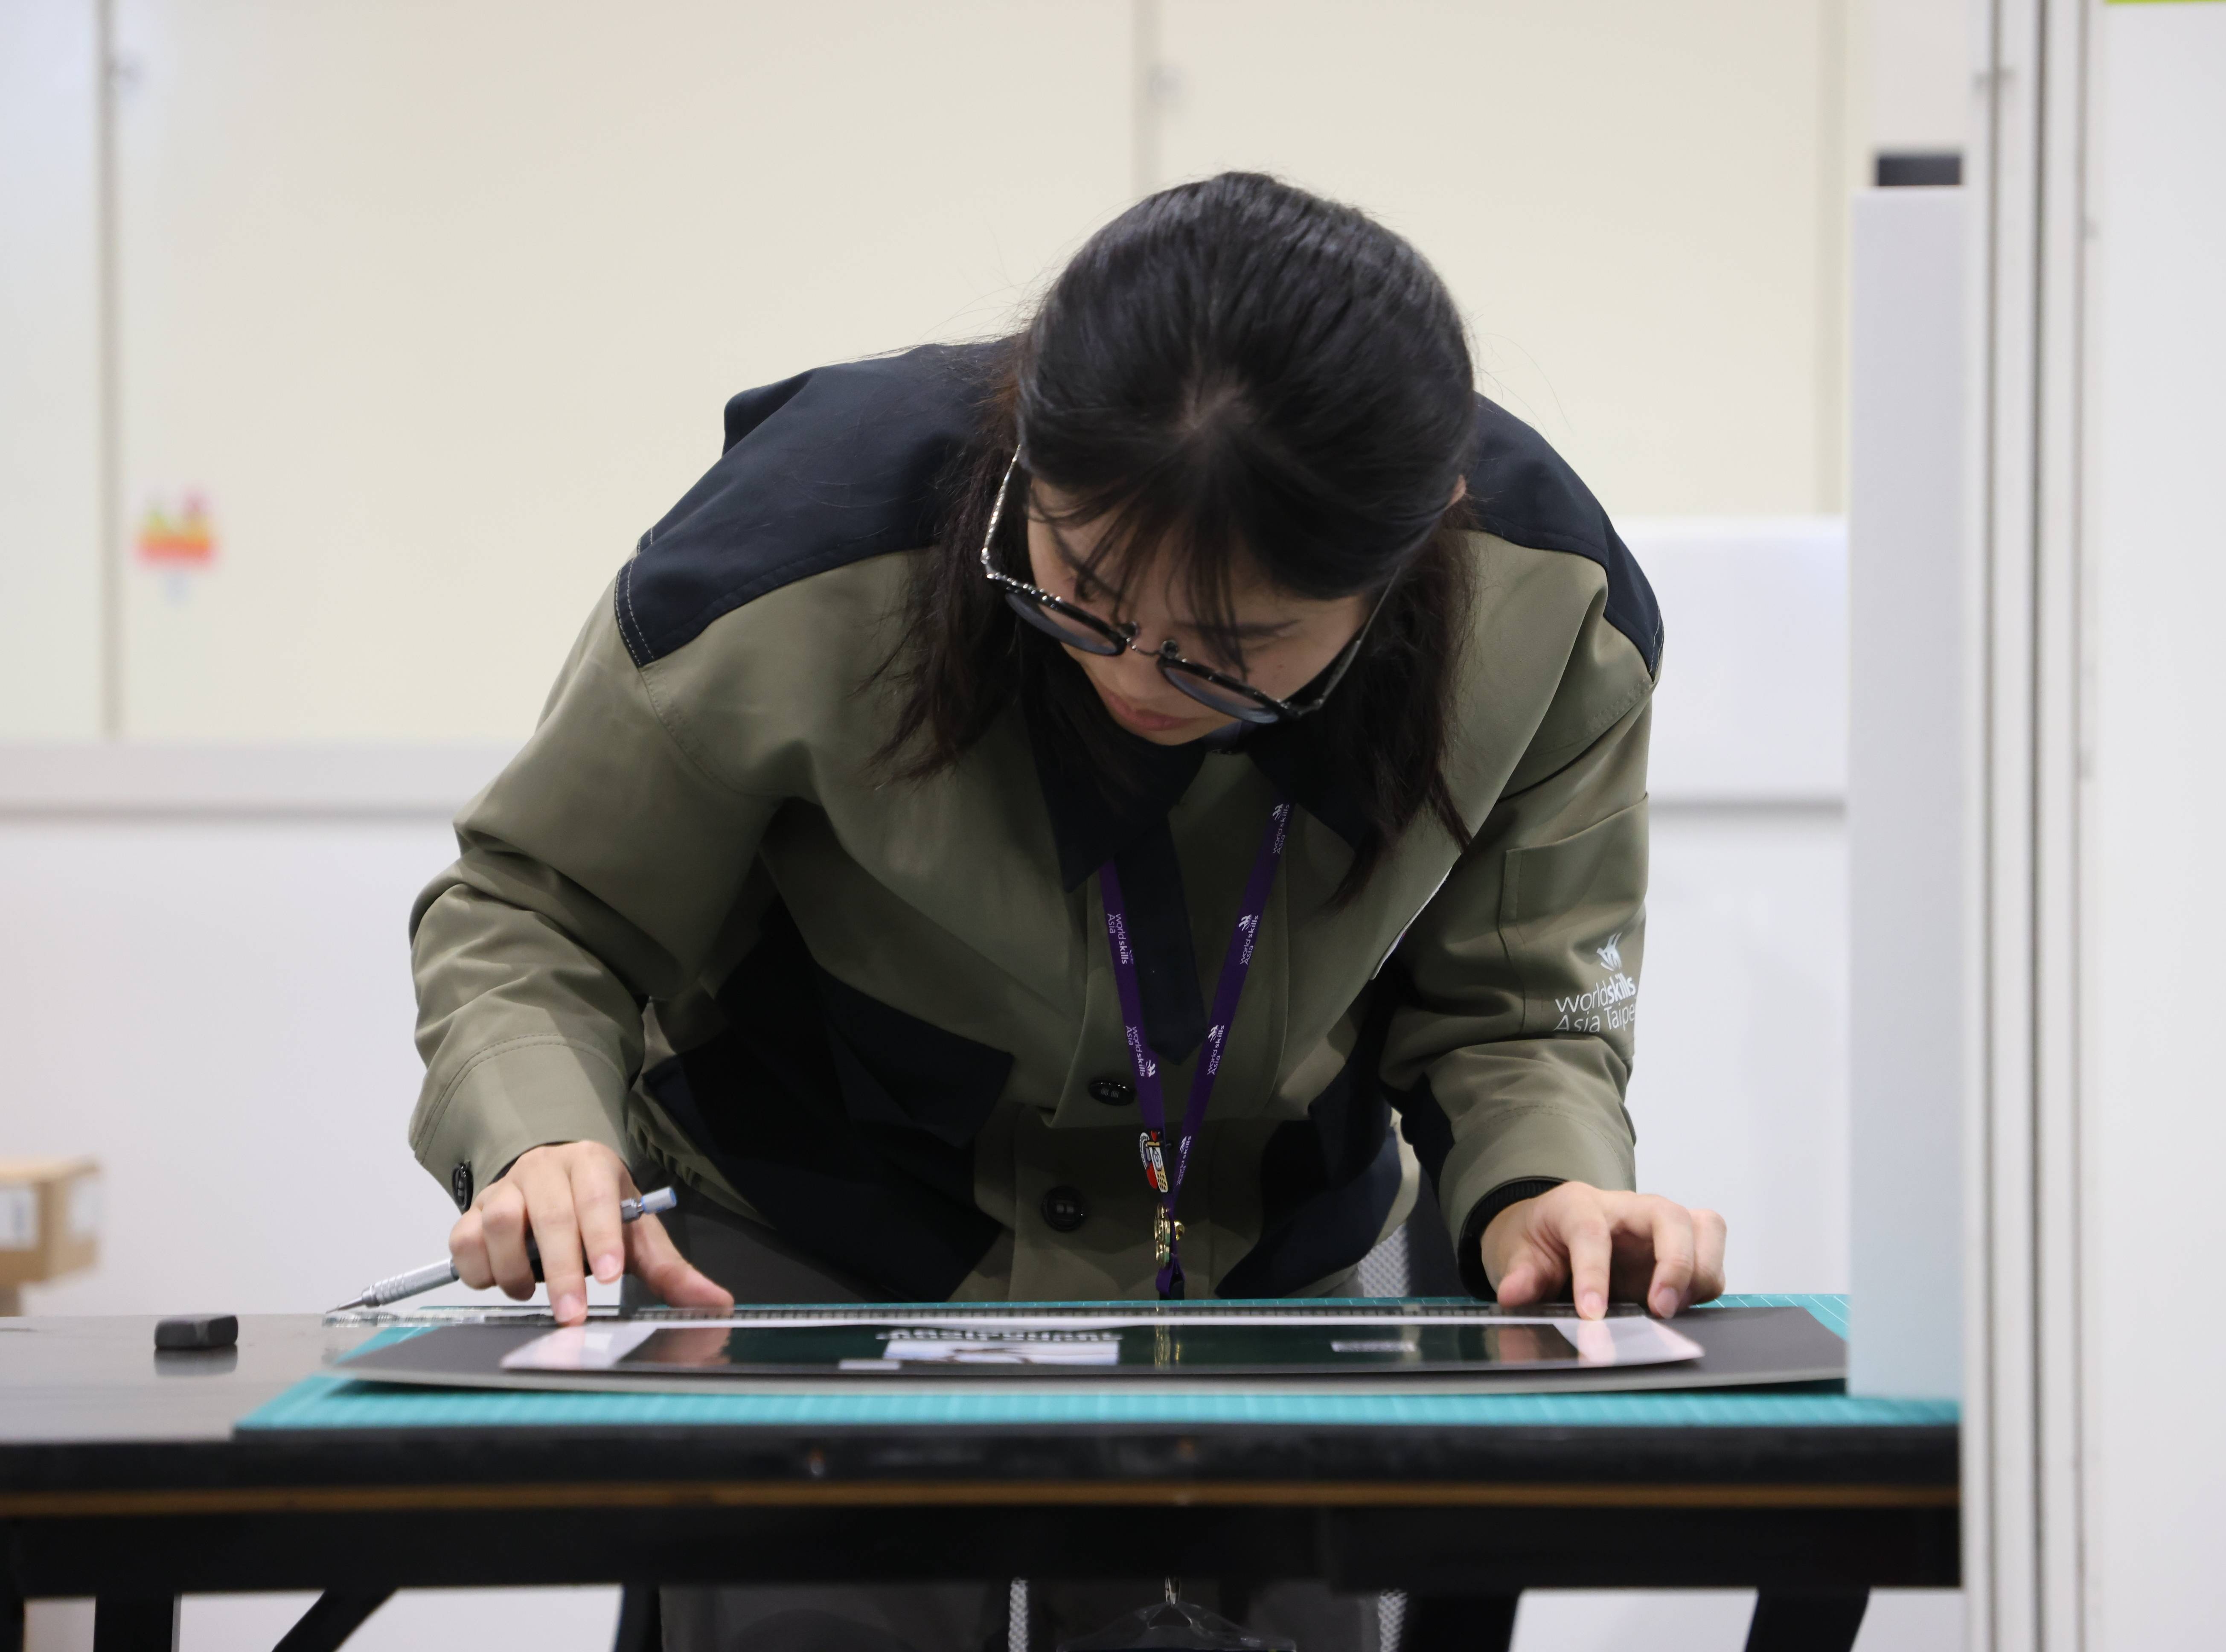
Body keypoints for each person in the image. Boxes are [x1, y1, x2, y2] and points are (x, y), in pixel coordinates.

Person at [408, 171, 1724, 1651]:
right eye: (1080, 589)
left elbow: (1520, 1010)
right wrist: (542, 1136)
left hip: (1270, 1298)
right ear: (1026, 438)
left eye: (1233, 648)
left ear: (1411, 562)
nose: (1136, 674)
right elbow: (539, 910)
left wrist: (1550, 1190)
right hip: (813, 1267)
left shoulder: (1553, 614)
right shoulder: (788, 561)